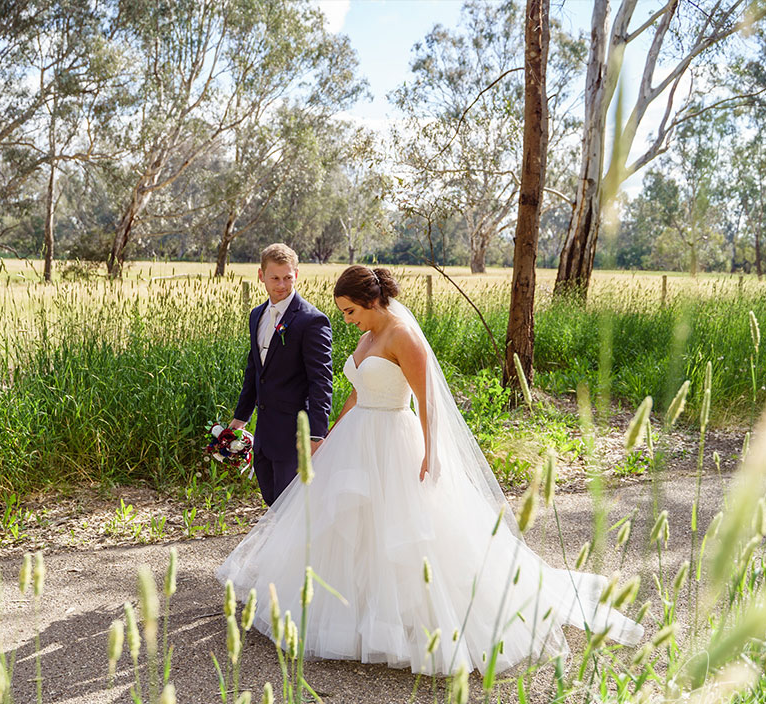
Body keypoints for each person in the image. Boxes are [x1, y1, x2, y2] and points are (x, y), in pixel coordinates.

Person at [217, 265, 643, 676]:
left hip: (393, 439)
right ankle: (352, 612)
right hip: (357, 438)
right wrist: (328, 436)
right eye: (343, 312)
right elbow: (355, 392)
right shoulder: (368, 336)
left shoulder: (403, 337)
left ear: (372, 301)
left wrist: (431, 452)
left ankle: (406, 624)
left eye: (351, 310)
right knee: (352, 526)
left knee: (403, 533)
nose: (346, 320)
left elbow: (428, 400)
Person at [230, 243, 333, 506]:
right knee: (273, 504)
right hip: (264, 434)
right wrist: (240, 418)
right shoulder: (256, 316)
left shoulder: (312, 321)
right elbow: (254, 371)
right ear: (260, 275)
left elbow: (321, 382)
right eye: (275, 277)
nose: (282, 285)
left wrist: (315, 435)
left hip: (295, 438)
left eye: (288, 277)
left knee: (293, 511)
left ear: (296, 275)